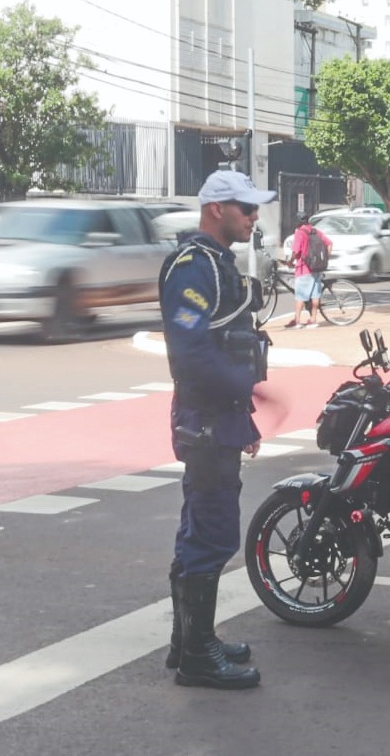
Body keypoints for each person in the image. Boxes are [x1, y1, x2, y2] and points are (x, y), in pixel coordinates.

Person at [158, 170, 273, 690]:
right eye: (245, 208)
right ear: (215, 210)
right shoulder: (193, 267)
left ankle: (188, 642)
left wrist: (242, 411)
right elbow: (191, 352)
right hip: (205, 419)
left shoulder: (213, 264)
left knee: (200, 526)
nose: (253, 217)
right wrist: (241, 389)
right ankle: (198, 657)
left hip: (217, 416)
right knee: (213, 530)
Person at [281, 213, 332, 329]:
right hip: (317, 268)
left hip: (304, 268)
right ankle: (313, 319)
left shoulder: (299, 233)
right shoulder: (315, 231)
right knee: (315, 295)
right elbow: (329, 244)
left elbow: (295, 251)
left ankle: (297, 321)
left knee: (300, 296)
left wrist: (290, 262)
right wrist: (324, 259)